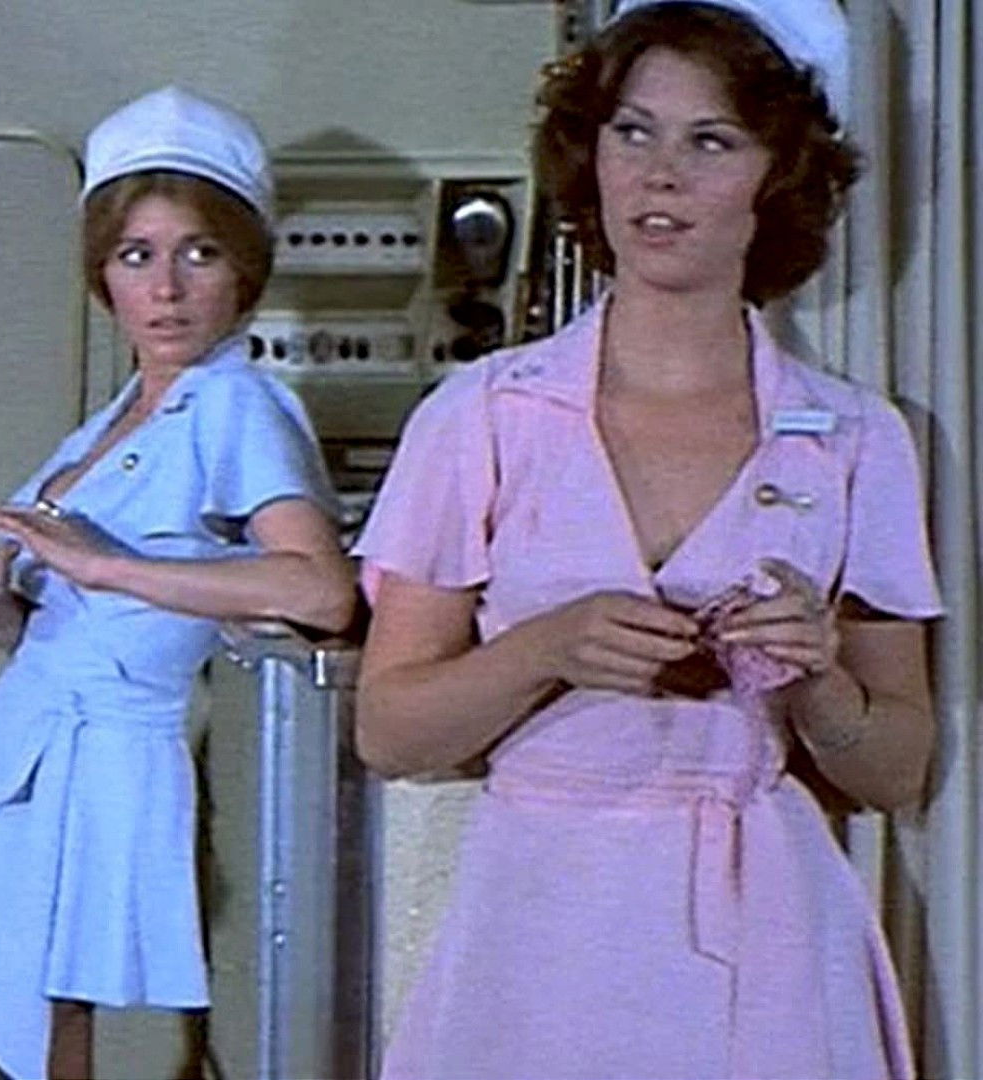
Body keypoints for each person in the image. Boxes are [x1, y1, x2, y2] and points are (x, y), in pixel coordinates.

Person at [354, 1, 938, 1076]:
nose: (660, 175)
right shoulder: (483, 415)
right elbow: (389, 733)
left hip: (764, 927)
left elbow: (897, 769)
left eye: (710, 140)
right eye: (634, 131)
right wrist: (545, 647)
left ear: (778, 175)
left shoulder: (854, 438)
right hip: (540, 929)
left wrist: (817, 680)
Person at [0, 86, 355, 1080]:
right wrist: (1, 609)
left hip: (103, 770)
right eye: (137, 255)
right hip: (39, 760)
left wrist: (107, 565)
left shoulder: (236, 405)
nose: (167, 288)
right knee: (24, 1047)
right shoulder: (120, 417)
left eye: (200, 253)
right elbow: (102, 619)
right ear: (103, 273)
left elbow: (320, 591)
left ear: (244, 268)